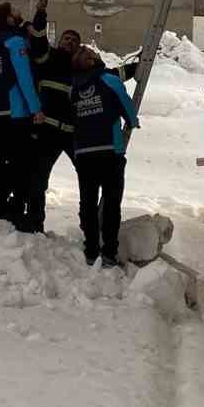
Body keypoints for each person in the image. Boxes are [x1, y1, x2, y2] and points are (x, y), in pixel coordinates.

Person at [70, 46, 140, 267]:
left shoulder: (74, 88)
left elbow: (74, 117)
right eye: (95, 54)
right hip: (109, 150)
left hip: (83, 152)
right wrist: (132, 121)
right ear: (92, 61)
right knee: (111, 203)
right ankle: (109, 251)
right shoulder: (109, 80)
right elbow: (125, 104)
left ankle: (91, 250)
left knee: (88, 202)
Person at [0, 0, 42, 227]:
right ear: (9, 18)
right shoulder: (15, 41)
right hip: (16, 107)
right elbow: (24, 76)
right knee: (19, 159)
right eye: (16, 11)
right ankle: (15, 206)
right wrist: (35, 109)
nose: (19, 12)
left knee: (0, 155)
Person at [25, 0, 81, 233]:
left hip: (71, 133)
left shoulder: (81, 67)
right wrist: (40, 13)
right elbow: (37, 40)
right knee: (38, 179)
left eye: (74, 40)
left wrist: (136, 68)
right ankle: (35, 223)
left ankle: (90, 226)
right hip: (46, 129)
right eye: (66, 38)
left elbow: (108, 77)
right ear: (59, 41)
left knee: (88, 177)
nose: (69, 42)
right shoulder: (49, 58)